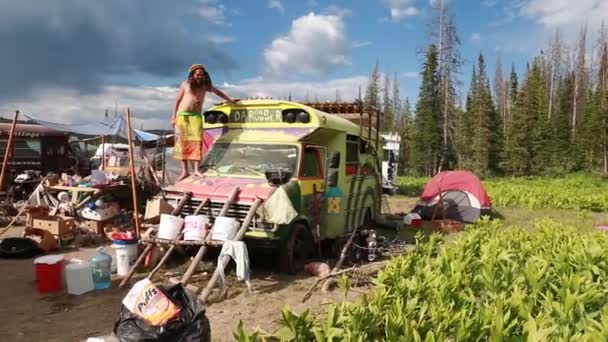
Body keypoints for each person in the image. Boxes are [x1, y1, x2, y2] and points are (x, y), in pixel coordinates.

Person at [171, 64, 237, 181]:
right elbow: (177, 100)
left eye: (201, 74)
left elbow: (218, 92)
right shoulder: (185, 84)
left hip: (196, 117)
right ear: (192, 75)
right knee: (182, 143)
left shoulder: (205, 86)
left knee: (197, 142)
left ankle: (196, 170)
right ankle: (185, 171)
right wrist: (173, 117)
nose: (199, 77)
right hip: (182, 116)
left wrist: (230, 100)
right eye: (197, 74)